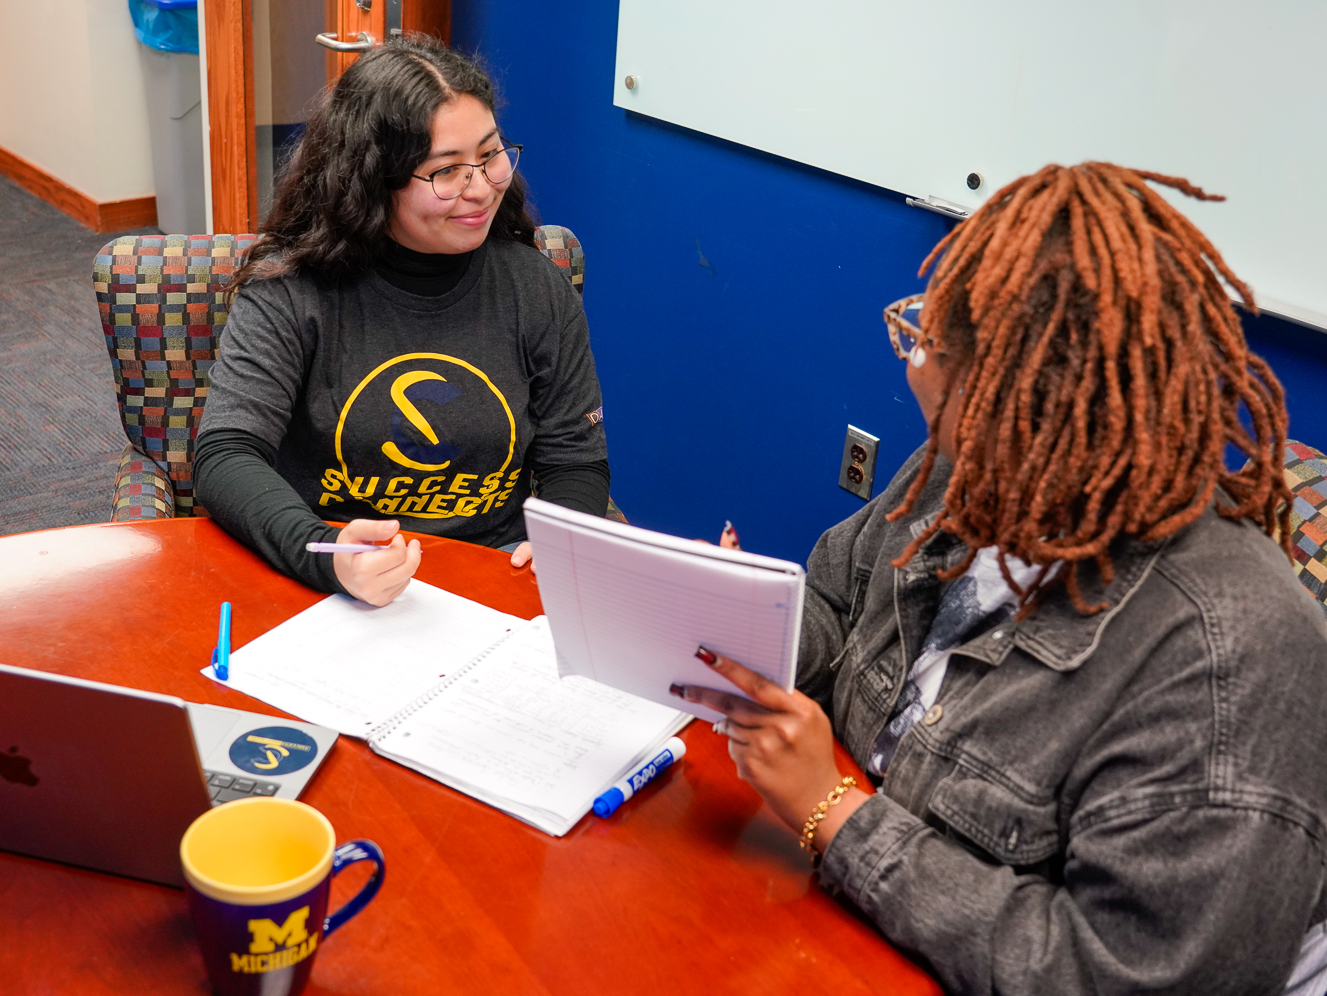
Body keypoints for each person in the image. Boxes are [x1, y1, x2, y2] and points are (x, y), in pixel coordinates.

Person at [673, 162, 1327, 994]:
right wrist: (747, 618)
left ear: (1026, 400)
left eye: (927, 341)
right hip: (843, 920)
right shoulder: (974, 464)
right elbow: (838, 600)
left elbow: (1121, 974)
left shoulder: (1227, 658)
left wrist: (836, 816)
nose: (910, 363)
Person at [195, 39, 608, 606]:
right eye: (446, 171)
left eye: (490, 155)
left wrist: (563, 533)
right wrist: (325, 551)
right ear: (371, 180)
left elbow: (576, 459)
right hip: (332, 582)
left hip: (497, 581)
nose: (483, 186)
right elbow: (226, 454)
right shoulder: (290, 292)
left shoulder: (536, 287)